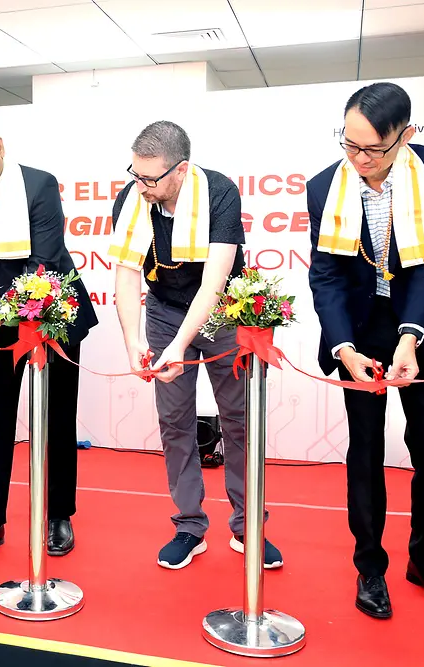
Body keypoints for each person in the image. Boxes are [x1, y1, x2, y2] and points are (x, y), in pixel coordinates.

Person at [307, 82, 424, 619]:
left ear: (406, 137)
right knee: (365, 452)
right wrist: (343, 346)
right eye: (349, 145)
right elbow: (326, 276)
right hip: (360, 332)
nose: (359, 159)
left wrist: (411, 336)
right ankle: (370, 568)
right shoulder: (324, 186)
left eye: (373, 149)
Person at [110, 120, 282, 571]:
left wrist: (181, 345)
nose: (141, 186)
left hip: (225, 311)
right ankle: (189, 525)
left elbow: (214, 281)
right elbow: (126, 276)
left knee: (240, 420)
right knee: (175, 422)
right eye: (135, 175)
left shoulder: (220, 192)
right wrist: (134, 344)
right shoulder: (131, 199)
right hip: (165, 310)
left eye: (151, 178)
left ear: (181, 170)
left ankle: (249, 526)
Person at [0, 111, 98, 563]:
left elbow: (41, 264)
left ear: (1, 147)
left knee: (57, 418)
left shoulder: (40, 185)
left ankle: (59, 515)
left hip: (53, 314)